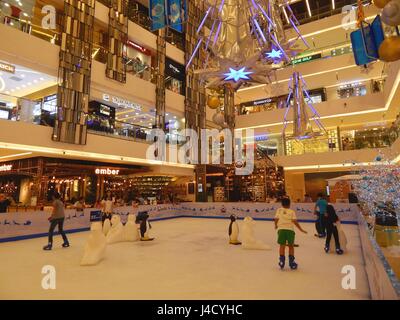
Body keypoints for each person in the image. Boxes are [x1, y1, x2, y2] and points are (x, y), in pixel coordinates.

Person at [274, 198, 308, 270]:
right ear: (289, 204)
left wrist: (276, 225)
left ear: (282, 204)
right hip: (290, 230)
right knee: (291, 246)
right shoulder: (292, 211)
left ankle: (281, 261)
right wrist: (301, 229)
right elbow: (295, 221)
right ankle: (291, 262)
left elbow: (276, 219)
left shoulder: (279, 210)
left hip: (281, 230)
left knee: (282, 245)